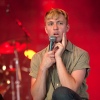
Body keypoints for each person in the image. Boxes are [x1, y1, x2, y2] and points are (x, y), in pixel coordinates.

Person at [29, 8, 90, 100]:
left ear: (67, 28)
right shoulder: (37, 58)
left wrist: (58, 58)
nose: (55, 27)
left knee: (61, 93)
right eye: (50, 24)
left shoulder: (80, 54)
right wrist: (43, 67)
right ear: (46, 29)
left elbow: (70, 90)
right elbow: (37, 97)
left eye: (60, 23)